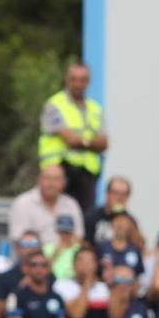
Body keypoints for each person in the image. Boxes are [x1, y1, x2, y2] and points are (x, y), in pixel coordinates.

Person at [39, 62, 107, 217]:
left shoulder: (95, 108)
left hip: (88, 173)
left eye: (82, 80)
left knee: (85, 218)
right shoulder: (54, 104)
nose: (78, 84)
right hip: (60, 171)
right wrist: (91, 142)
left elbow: (104, 143)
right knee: (58, 216)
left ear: (88, 82)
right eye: (74, 79)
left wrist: (81, 141)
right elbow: (70, 140)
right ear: (67, 80)